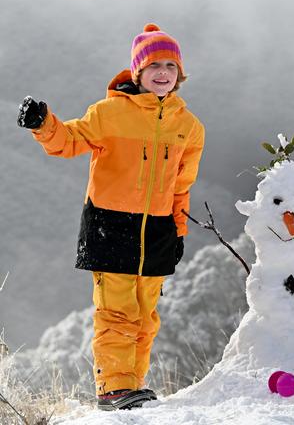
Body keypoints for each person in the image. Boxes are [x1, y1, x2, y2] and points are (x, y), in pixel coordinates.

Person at [17, 23, 205, 409]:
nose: (163, 72)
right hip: (109, 225)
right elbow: (68, 141)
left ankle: (132, 387)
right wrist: (43, 125)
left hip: (157, 231)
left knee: (145, 317)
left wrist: (179, 232)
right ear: (138, 72)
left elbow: (181, 187)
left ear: (180, 75)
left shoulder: (189, 127)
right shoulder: (109, 113)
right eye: (154, 65)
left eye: (171, 65)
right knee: (117, 313)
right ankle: (114, 389)